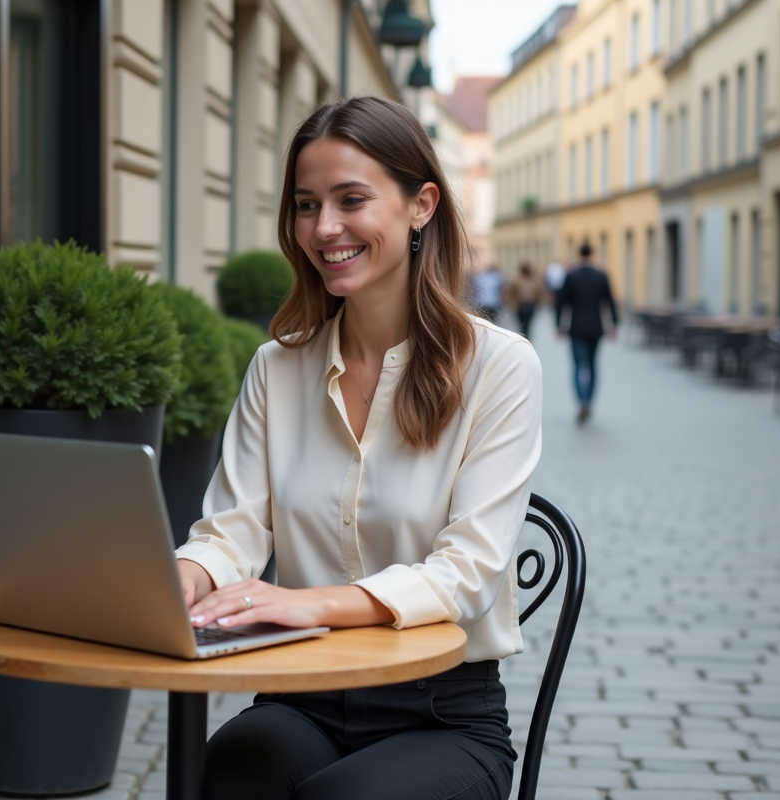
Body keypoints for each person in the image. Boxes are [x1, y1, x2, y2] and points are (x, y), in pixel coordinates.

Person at [172, 96, 542, 800]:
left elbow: (468, 573)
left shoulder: (500, 367)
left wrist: (314, 604)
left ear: (421, 206)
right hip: (302, 696)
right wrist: (178, 580)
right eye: (306, 205)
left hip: (440, 715)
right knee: (225, 773)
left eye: (351, 200)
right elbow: (229, 534)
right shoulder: (276, 369)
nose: (324, 228)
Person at [554, 241, 618, 424]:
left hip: (576, 327)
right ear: (592, 254)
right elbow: (610, 301)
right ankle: (589, 401)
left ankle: (581, 401)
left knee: (577, 366)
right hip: (596, 327)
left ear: (579, 254)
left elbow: (561, 302)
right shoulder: (601, 275)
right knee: (592, 365)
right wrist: (614, 324)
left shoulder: (571, 275)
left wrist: (559, 325)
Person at [503, 262, 540, 340]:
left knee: (526, 325)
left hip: (529, 305)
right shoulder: (518, 281)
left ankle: (526, 338)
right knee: (523, 325)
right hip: (521, 306)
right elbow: (512, 294)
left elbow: (538, 294)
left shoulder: (532, 280)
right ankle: (525, 338)